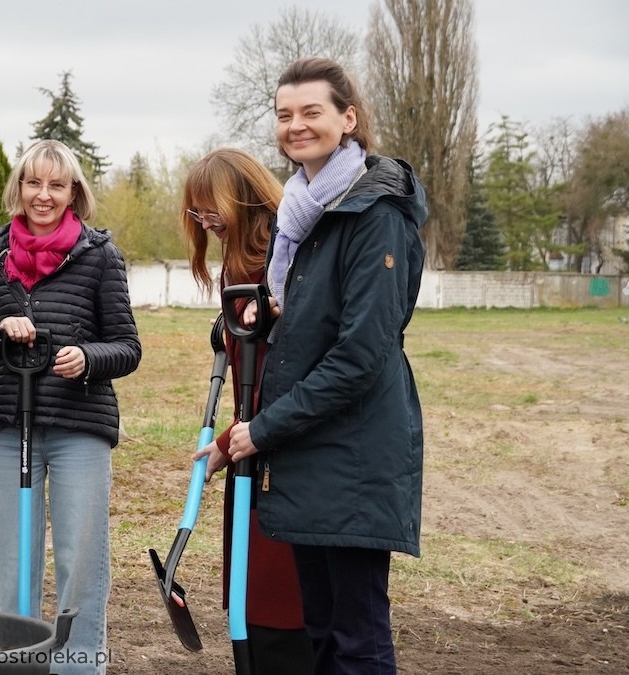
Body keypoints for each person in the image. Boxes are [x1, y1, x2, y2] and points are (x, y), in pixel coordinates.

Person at [225, 57, 426, 675]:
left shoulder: (375, 213)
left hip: (356, 455)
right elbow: (310, 328)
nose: (296, 125)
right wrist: (271, 314)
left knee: (356, 640)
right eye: (285, 115)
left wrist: (263, 429)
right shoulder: (302, 212)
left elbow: (362, 354)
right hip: (311, 453)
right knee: (321, 633)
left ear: (349, 118)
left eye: (312, 112)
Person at [0, 139, 141, 675]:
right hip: (7, 423)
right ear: (19, 188)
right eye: (34, 183)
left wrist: (86, 358)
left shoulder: (100, 255)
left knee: (80, 562)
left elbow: (127, 347)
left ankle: (79, 666)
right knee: (14, 560)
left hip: (80, 426)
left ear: (73, 193)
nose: (43, 195)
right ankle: (16, 663)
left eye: (56, 185)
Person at [184, 148, 313, 674]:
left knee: (275, 592)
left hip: (284, 448)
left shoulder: (281, 262)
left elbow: (286, 378)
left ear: (244, 197)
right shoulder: (236, 265)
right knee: (248, 590)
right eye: (197, 213)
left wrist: (227, 439)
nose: (206, 221)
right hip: (251, 442)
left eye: (211, 208)